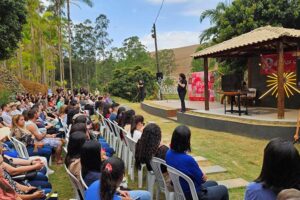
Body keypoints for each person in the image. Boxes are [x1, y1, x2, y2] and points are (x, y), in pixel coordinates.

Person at [166, 125, 229, 200]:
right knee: (223, 189)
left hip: (181, 191)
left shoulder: (168, 153)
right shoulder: (188, 160)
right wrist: (204, 176)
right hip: (194, 195)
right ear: (186, 141)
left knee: (214, 183)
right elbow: (201, 180)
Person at [85, 157, 151, 200]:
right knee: (147, 195)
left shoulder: (95, 184)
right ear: (122, 176)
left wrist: (118, 191)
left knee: (146, 195)